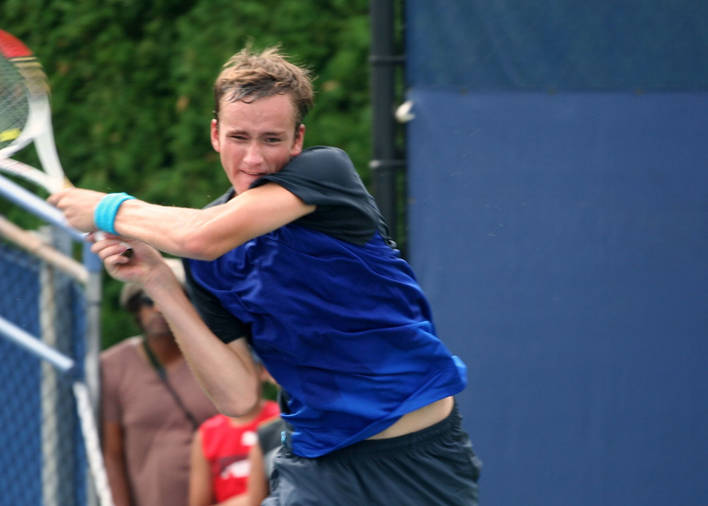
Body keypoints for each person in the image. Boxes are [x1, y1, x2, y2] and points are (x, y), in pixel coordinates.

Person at [50, 46, 481, 505]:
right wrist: (157, 280)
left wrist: (105, 208)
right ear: (215, 134)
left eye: (271, 140)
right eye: (239, 137)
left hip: (419, 459)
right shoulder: (207, 255)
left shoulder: (326, 174)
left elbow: (201, 236)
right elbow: (238, 399)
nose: (253, 158)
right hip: (315, 467)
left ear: (298, 140)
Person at [98, 257, 218, 506]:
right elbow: (112, 453)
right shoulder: (113, 365)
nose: (158, 309)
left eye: (173, 299)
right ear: (135, 308)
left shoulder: (217, 361)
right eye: (149, 300)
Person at [188, 360, 280, 506]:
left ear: (262, 371)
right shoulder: (207, 433)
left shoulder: (280, 420)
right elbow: (198, 500)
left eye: (242, 368)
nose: (233, 378)